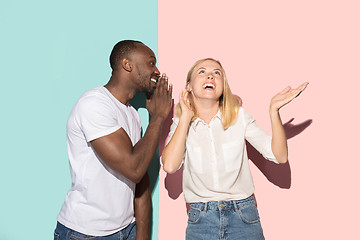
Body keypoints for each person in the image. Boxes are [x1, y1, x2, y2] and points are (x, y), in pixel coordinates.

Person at [161, 58, 308, 239]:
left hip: (243, 215)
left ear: (223, 86)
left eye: (217, 73)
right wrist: (185, 117)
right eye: (202, 72)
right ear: (189, 86)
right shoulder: (181, 124)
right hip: (201, 219)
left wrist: (274, 111)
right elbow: (169, 165)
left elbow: (279, 156)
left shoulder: (239, 117)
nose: (210, 76)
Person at [55, 40, 172, 240]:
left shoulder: (133, 115)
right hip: (85, 233)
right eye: (151, 63)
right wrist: (159, 117)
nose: (157, 71)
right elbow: (133, 169)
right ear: (127, 65)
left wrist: (142, 235)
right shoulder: (93, 104)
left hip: (126, 230)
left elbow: (141, 177)